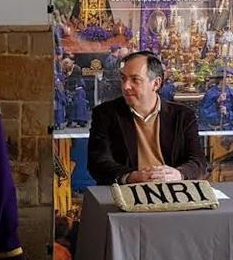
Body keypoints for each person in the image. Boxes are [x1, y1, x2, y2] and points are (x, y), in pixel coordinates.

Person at [88, 51, 207, 185]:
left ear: (156, 84)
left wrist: (178, 174)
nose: (126, 86)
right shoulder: (105, 114)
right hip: (126, 191)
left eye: (135, 80)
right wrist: (131, 177)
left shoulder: (183, 116)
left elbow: (198, 161)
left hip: (173, 191)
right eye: (123, 78)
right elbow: (97, 162)